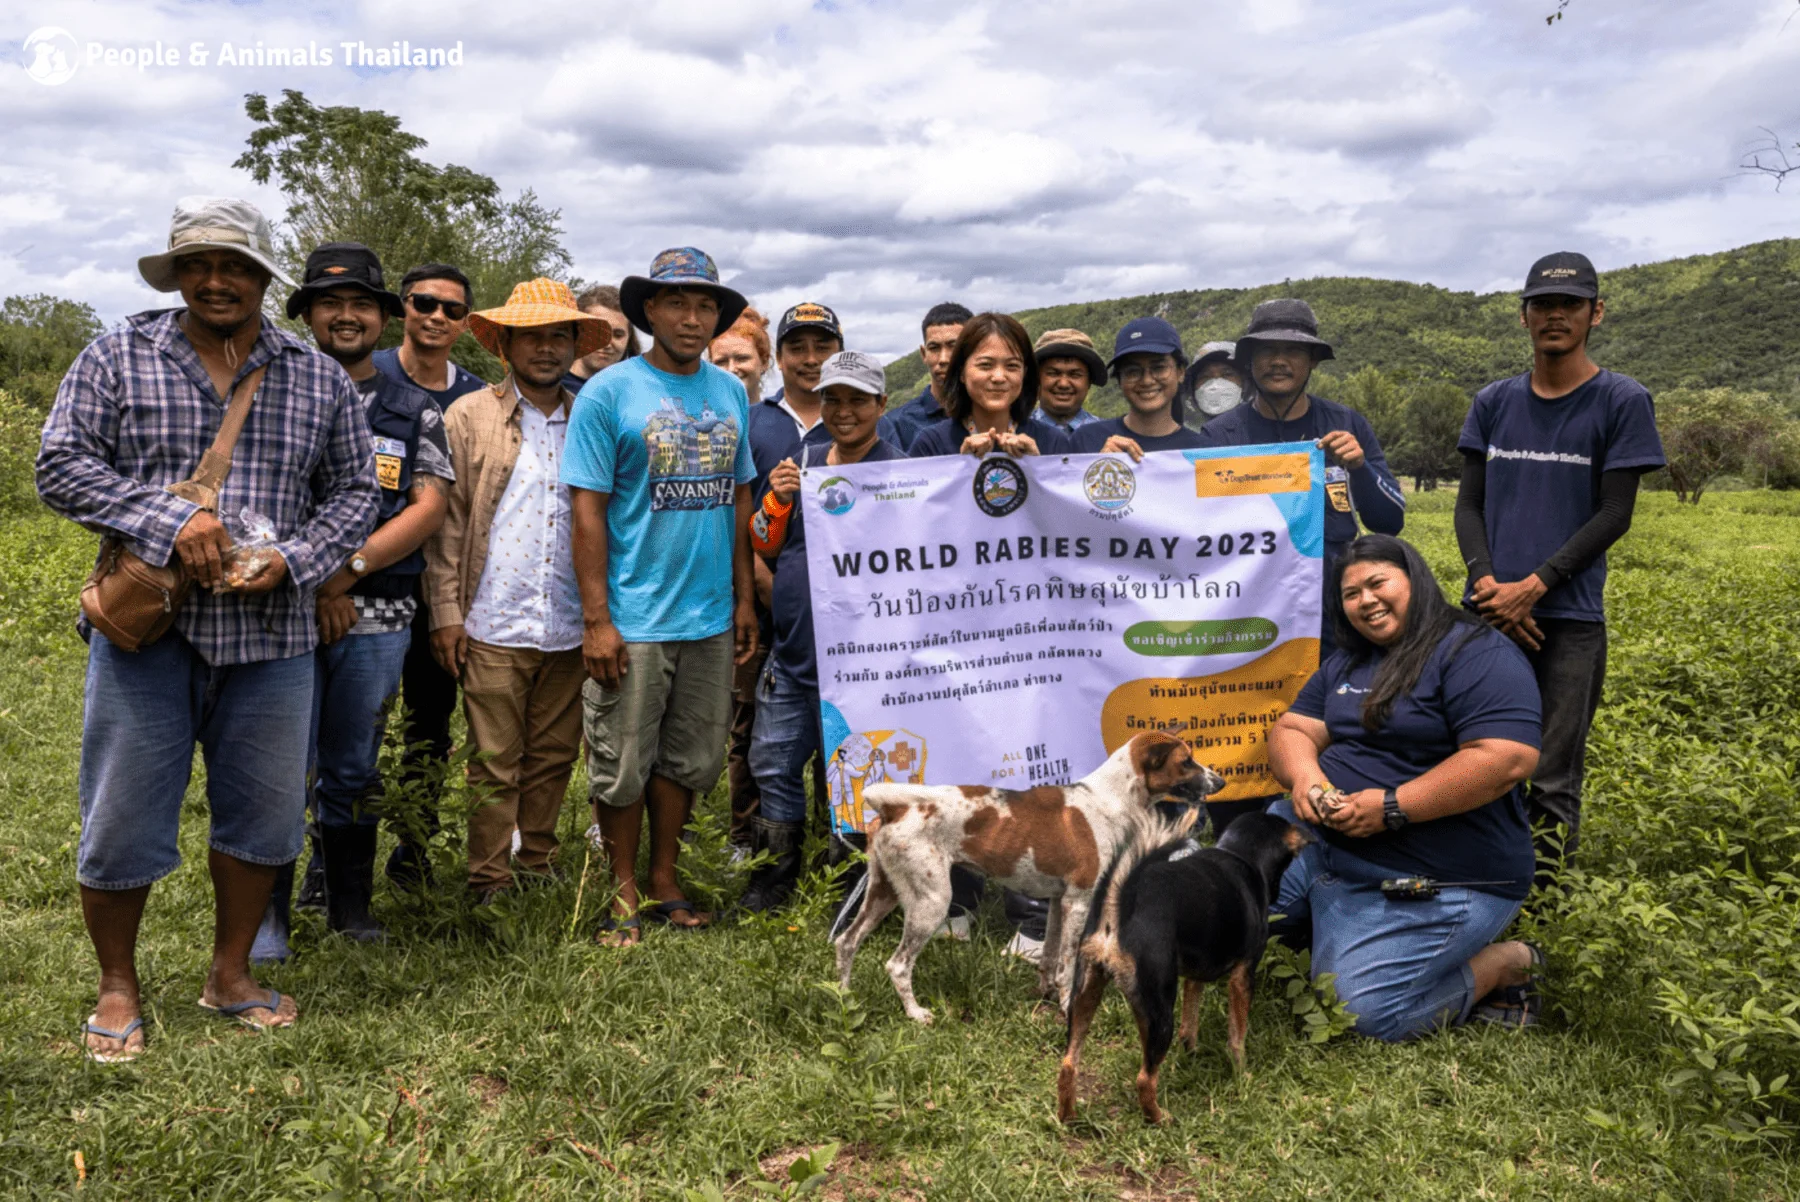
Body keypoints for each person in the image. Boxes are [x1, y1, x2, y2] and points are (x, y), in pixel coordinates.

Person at [37, 196, 380, 1059]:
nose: (217, 280)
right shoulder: (119, 354)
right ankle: (118, 987)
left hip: (272, 639)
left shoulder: (315, 374)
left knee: (264, 819)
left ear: (265, 277)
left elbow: (355, 494)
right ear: (177, 273)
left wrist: (296, 559)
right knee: (121, 819)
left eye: (236, 266)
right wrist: (165, 520)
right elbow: (60, 465)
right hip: (147, 634)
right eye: (199, 265)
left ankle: (230, 974)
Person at [253, 243, 454, 959]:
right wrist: (311, 588)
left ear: (382, 318)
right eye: (331, 303)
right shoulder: (271, 394)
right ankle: (268, 917)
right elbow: (257, 504)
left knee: (352, 765)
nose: (347, 316)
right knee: (278, 765)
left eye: (362, 305)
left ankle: (350, 905)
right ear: (307, 313)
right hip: (279, 615)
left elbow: (427, 507)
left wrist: (346, 577)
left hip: (378, 616)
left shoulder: (412, 410)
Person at [1266, 534, 1546, 1039]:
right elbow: (1293, 730)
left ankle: (1507, 962)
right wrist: (1307, 778)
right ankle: (1328, 911)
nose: (1365, 601)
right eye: (1351, 594)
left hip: (1438, 875)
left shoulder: (1474, 651)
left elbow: (1507, 758)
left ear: (1414, 579)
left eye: (1377, 583)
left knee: (1359, 1015)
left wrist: (1394, 807)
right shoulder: (1349, 663)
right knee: (1224, 917)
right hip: (1321, 844)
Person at [564, 248, 759, 945]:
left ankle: (665, 878)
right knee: (622, 760)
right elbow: (587, 510)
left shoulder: (730, 393)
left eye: (705, 306)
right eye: (677, 303)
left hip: (707, 613)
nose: (692, 317)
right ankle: (621, 889)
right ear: (648, 311)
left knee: (689, 757)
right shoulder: (610, 393)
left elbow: (738, 498)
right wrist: (597, 619)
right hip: (633, 613)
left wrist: (742, 599)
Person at [1455, 252, 1664, 873]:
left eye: (1570, 304)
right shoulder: (1493, 402)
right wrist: (1488, 585)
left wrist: (1536, 586)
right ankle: (1483, 892)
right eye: (1543, 305)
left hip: (1569, 621)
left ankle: (1545, 915)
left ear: (1595, 313)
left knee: (1551, 777)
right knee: (1477, 761)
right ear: (1523, 317)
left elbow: (1613, 514)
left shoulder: (1622, 400)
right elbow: (1469, 507)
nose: (1555, 316)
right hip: (1489, 615)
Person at [425, 279, 603, 901]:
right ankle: (488, 879)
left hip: (569, 618)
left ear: (575, 344)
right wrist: (446, 613)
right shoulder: (470, 417)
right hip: (494, 617)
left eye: (560, 336)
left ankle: (538, 863)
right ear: (505, 344)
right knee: (495, 760)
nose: (547, 349)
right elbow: (447, 525)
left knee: (554, 753)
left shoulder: (590, 419)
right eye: (533, 337)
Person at [744, 350, 905, 910]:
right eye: (834, 398)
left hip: (867, 664)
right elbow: (763, 541)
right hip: (795, 651)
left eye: (858, 400)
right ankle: (774, 875)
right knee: (773, 763)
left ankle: (849, 881)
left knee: (856, 777)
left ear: (881, 405)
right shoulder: (803, 459)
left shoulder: (903, 475)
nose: (844, 411)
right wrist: (777, 500)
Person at [371, 263, 489, 891]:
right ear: (403, 309)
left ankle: (413, 846)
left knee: (430, 722)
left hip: (443, 591)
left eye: (452, 310)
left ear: (465, 323)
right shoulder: (368, 374)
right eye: (425, 303)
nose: (437, 317)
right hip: (367, 583)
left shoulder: (474, 395)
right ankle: (337, 854)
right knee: (356, 722)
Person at [1197, 299, 1406, 649]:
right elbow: (1197, 527)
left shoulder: (1346, 424)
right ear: (1249, 361)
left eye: (1293, 350)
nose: (1279, 361)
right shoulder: (1220, 436)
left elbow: (1389, 522)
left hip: (1333, 604)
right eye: (1267, 350)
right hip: (1250, 602)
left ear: (1312, 361)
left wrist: (1360, 468)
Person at [711, 307, 779, 852]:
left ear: (764, 363)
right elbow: (732, 512)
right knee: (746, 724)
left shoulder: (790, 420)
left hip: (808, 601)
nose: (734, 368)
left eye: (744, 358)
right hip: (742, 595)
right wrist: (752, 584)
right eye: (723, 359)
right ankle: (745, 835)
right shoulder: (718, 423)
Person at [907, 312, 1072, 459]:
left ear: (1024, 373)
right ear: (961, 372)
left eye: (1012, 366)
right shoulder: (930, 445)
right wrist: (960, 467)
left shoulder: (1053, 442)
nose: (999, 377)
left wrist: (1039, 466)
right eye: (985, 365)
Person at [1071, 317, 1205, 455]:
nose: (1147, 381)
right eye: (1133, 371)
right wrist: (1099, 467)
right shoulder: (1086, 441)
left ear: (1180, 372)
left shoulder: (1206, 453)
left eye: (1158, 368)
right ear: (1119, 379)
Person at [890, 302, 972, 450]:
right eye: (934, 348)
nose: (943, 359)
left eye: (953, 346)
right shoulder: (896, 425)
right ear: (923, 354)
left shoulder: (995, 417)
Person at [563, 283, 640, 395]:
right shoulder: (550, 389)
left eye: (618, 335)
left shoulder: (635, 393)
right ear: (577, 331)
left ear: (629, 339)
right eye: (597, 332)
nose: (607, 343)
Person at [1033, 328, 1106, 434]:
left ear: (1089, 382)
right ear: (1036, 379)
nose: (1064, 384)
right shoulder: (1012, 434)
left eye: (1075, 375)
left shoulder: (1106, 436)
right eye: (1053, 373)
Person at [1179, 340, 1243, 429]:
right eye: (1205, 376)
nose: (1215, 385)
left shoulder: (1263, 429)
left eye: (1227, 374)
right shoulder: (1183, 433)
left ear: (1245, 381)